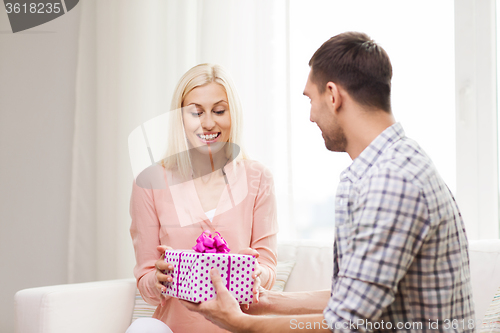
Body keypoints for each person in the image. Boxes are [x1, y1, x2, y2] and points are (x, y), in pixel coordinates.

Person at [181, 32, 476, 332]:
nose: (310, 116)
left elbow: (346, 323)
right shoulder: (387, 166)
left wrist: (241, 323)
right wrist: (265, 300)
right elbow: (352, 298)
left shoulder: (391, 182)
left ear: (333, 96)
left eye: (311, 99)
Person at [127, 64, 278, 333]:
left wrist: (257, 274)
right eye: (196, 112)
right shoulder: (150, 182)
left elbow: (267, 267)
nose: (208, 123)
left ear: (233, 114)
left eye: (219, 111)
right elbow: (146, 279)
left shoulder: (258, 177)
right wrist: (158, 278)